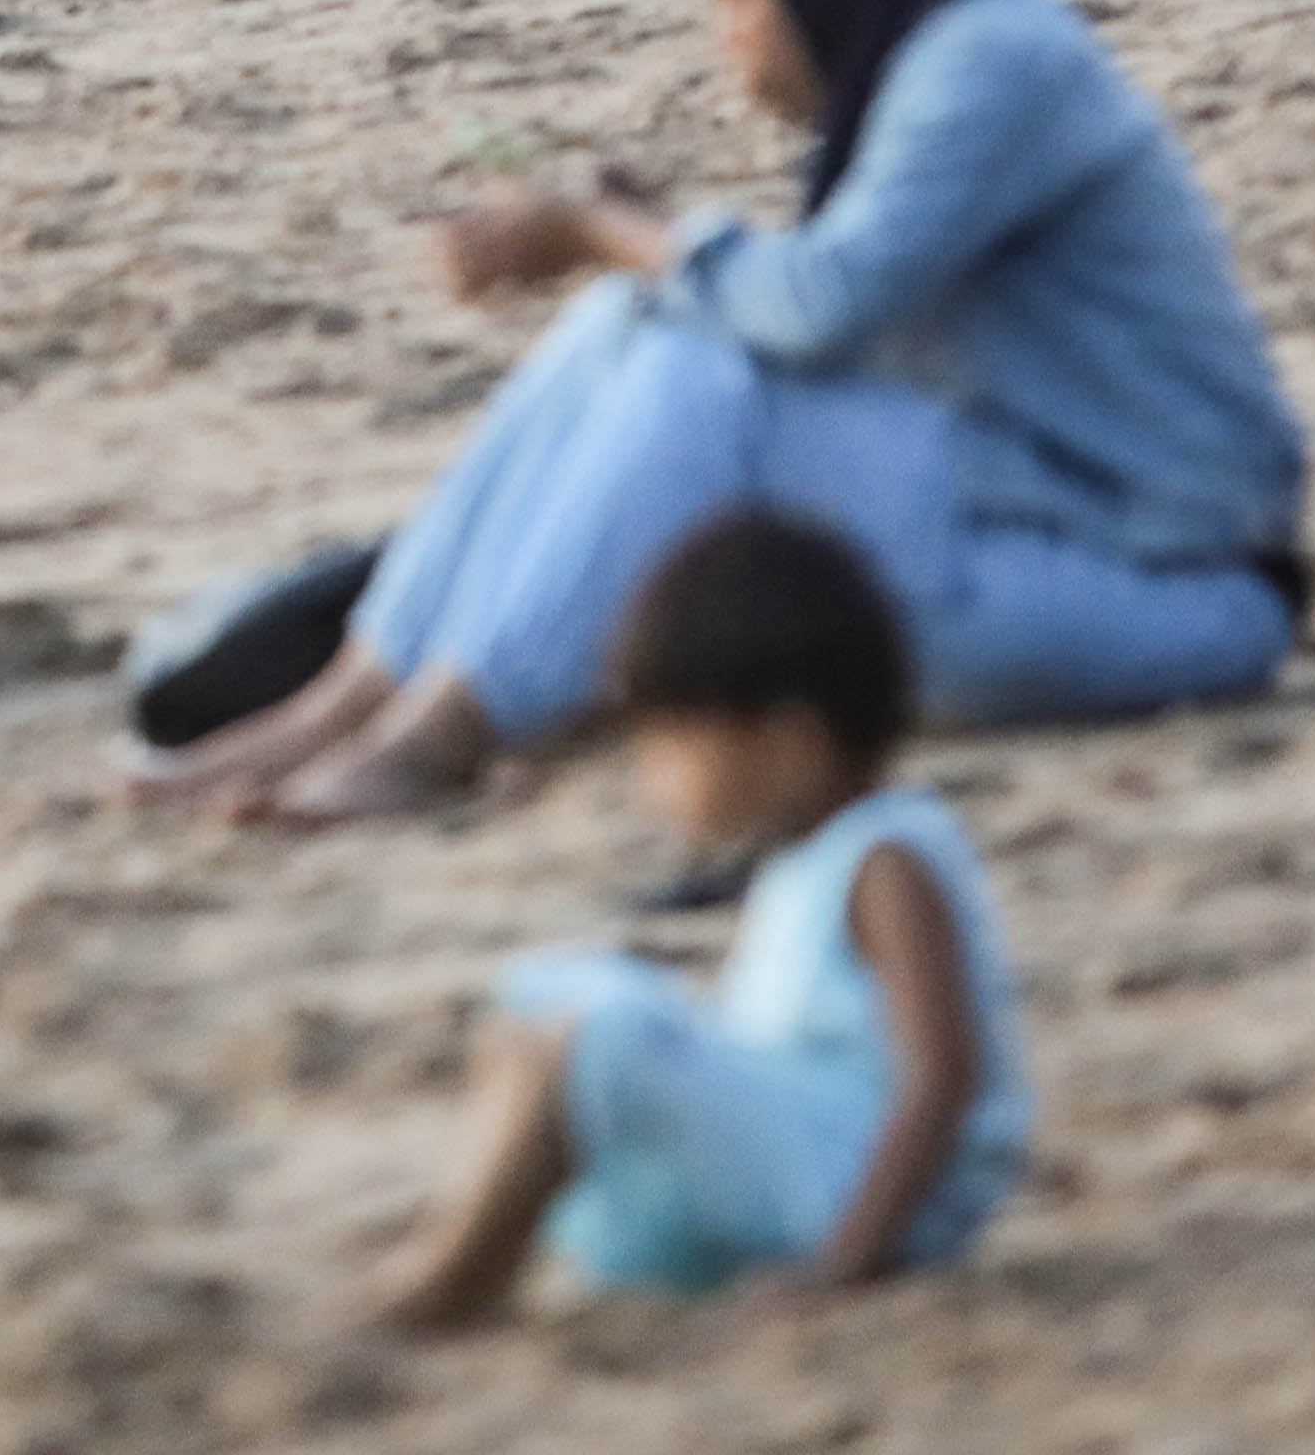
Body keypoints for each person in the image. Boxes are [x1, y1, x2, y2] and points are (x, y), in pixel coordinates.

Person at [151, 0, 1303, 822]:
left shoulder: (988, 65)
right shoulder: (950, 47)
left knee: (685, 365)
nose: (727, 35)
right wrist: (637, 251)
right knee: (628, 327)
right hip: (1031, 511)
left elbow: (822, 307)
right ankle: (356, 693)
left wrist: (604, 231)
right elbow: (838, 310)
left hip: (1161, 579)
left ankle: (444, 730)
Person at [367, 509, 1028, 1331]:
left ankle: (447, 1282)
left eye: (670, 743)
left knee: (598, 1035)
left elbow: (941, 1076)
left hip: (871, 1194)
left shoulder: (885, 860)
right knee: (542, 1001)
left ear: (787, 743)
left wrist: (843, 1266)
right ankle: (461, 1248)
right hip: (821, 1160)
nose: (653, 778)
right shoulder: (806, 857)